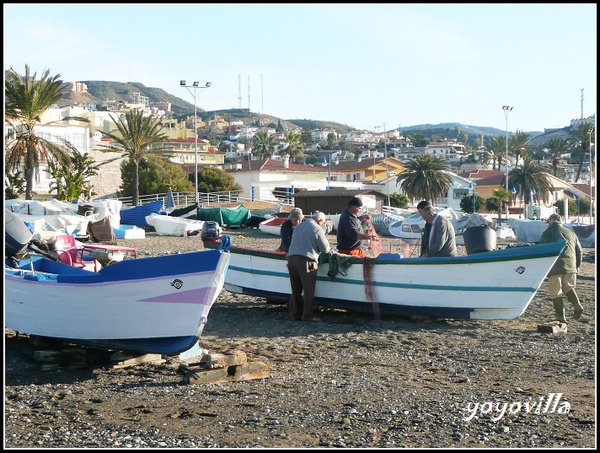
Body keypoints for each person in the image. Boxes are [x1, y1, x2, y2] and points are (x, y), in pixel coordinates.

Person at [287, 211, 331, 322]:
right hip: (307, 260)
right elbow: (325, 249)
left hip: (291, 259)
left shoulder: (298, 226)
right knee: (308, 289)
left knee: (295, 288)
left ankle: (294, 313)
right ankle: (307, 315)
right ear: (320, 220)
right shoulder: (317, 228)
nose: (323, 224)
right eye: (323, 222)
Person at [539, 213, 583, 323]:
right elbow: (580, 251)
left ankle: (561, 317)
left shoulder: (547, 233)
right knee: (568, 287)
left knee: (556, 291)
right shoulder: (571, 233)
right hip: (571, 265)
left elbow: (543, 251)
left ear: (550, 222)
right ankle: (577, 306)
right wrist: (577, 265)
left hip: (555, 266)